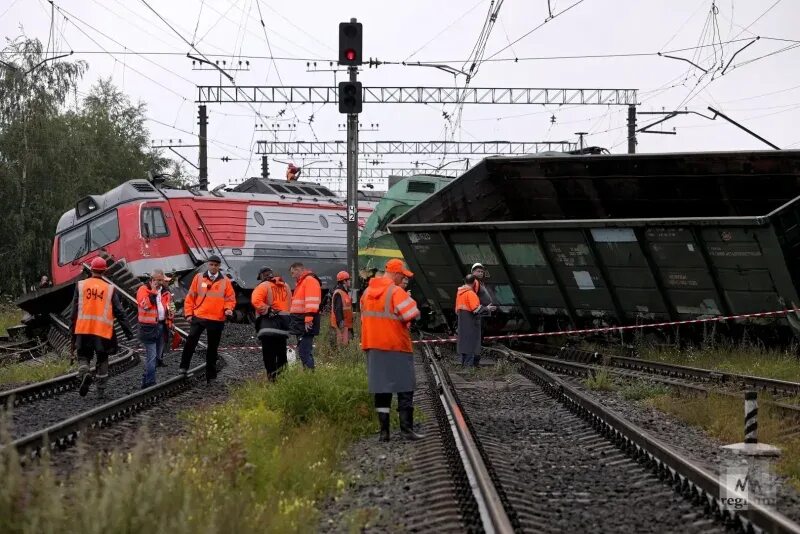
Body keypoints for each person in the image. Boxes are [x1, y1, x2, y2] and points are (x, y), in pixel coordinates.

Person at [361, 258, 424, 442]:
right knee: (405, 388)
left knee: (381, 389)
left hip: (373, 346)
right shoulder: (396, 291)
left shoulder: (366, 293)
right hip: (396, 346)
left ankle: (384, 433)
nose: (405, 279)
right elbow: (412, 314)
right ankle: (406, 430)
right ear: (396, 274)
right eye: (404, 276)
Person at [70, 257, 133, 398]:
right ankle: (100, 389)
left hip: (83, 328)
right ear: (104, 271)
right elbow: (119, 311)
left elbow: (74, 312)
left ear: (91, 270)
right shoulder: (109, 289)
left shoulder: (80, 286)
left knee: (83, 355)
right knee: (103, 358)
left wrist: (72, 330)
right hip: (102, 331)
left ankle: (85, 371)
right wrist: (128, 331)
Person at [179, 255, 235, 382]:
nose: (214, 267)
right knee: (190, 341)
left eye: (216, 265)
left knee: (212, 348)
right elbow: (190, 297)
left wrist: (228, 308)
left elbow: (230, 299)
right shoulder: (198, 278)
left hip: (217, 318)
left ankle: (211, 375)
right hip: (200, 316)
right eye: (211, 264)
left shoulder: (225, 281)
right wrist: (188, 314)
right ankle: (184, 366)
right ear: (208, 265)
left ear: (219, 266)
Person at [251, 266, 291, 381]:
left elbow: (255, 301)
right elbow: (289, 303)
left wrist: (267, 310)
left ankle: (272, 379)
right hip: (283, 324)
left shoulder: (263, 286)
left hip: (267, 325)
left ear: (262, 276)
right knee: (281, 353)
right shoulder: (286, 286)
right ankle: (283, 378)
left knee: (269, 354)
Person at [136, 271, 172, 388]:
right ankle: (150, 382)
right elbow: (145, 305)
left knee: (157, 356)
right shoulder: (143, 290)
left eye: (162, 280)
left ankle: (146, 380)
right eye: (159, 280)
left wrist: (170, 321)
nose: (162, 283)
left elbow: (169, 308)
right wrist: (153, 292)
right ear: (153, 279)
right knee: (151, 356)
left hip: (162, 325)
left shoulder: (166, 292)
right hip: (148, 327)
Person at [455, 274, 496, 367]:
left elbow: (458, 309)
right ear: (474, 283)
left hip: (462, 320)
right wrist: (488, 309)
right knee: (471, 343)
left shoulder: (460, 293)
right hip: (471, 322)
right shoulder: (471, 293)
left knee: (464, 343)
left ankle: (464, 364)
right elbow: (476, 309)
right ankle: (469, 367)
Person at [289, 262, 322, 369]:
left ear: (299, 270)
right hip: (301, 320)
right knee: (304, 350)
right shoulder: (303, 282)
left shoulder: (309, 281)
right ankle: (309, 373)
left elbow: (312, 300)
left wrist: (308, 318)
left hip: (305, 320)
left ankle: (309, 375)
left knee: (304, 351)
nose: (292, 275)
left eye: (293, 272)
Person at [330, 271, 353, 347]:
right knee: (342, 345)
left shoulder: (344, 292)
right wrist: (340, 323)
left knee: (345, 344)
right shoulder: (339, 293)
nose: (350, 281)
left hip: (346, 324)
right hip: (341, 325)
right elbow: (338, 309)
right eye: (348, 280)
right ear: (344, 281)